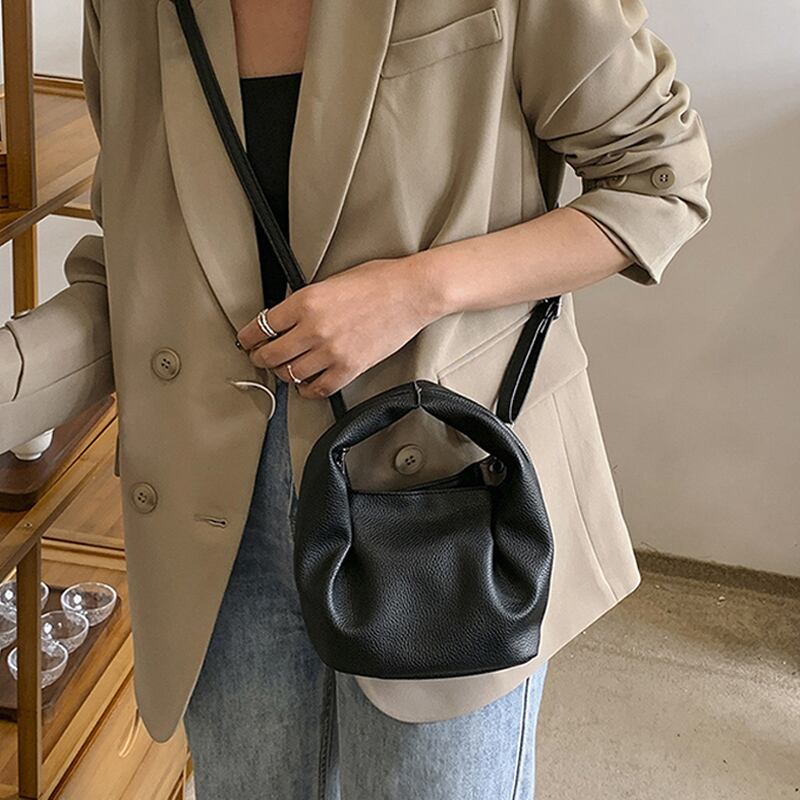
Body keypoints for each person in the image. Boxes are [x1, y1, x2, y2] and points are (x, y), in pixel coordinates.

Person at [0, 0, 712, 797]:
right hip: (215, 524)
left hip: (445, 500)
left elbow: (660, 181)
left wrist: (418, 290)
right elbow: (138, 272)